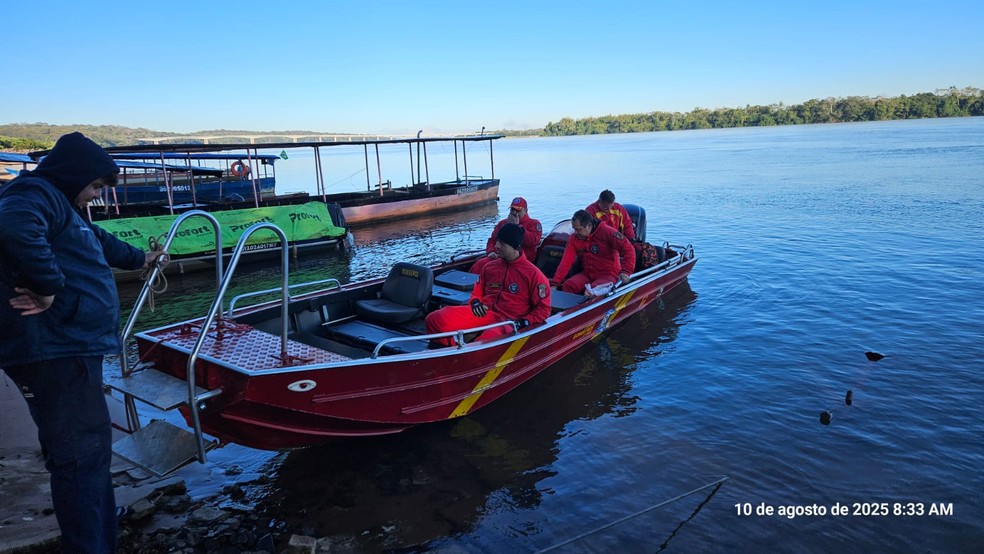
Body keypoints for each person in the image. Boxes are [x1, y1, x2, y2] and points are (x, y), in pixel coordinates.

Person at [0, 132, 157, 554]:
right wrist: (47, 287)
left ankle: (98, 531)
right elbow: (14, 227)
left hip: (67, 346)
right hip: (55, 349)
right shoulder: (34, 193)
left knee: (86, 451)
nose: (96, 195)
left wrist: (140, 258)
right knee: (79, 455)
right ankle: (90, 545)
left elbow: (96, 239)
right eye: (95, 186)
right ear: (74, 175)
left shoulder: (61, 203)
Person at [427, 223, 551, 347]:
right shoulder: (489, 267)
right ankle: (448, 350)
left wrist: (524, 322)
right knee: (435, 319)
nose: (496, 246)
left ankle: (468, 354)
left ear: (515, 246)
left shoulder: (534, 275)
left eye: (502, 243)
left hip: (509, 320)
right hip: (485, 312)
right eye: (497, 241)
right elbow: (478, 290)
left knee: (484, 342)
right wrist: (475, 301)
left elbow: (543, 309)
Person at [551, 209, 636, 296]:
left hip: (609, 275)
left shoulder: (607, 232)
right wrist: (555, 283)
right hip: (588, 274)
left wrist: (626, 271)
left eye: (578, 229)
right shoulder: (574, 238)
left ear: (589, 225)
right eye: (574, 229)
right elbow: (566, 262)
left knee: (591, 292)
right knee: (569, 285)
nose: (575, 233)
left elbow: (629, 249)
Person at [469, 196, 543, 275]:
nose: (514, 212)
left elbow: (533, 242)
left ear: (526, 211)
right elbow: (492, 240)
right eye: (512, 209)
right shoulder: (502, 223)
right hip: (500, 258)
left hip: (523, 261)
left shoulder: (534, 224)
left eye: (518, 210)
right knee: (479, 265)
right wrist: (491, 251)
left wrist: (517, 226)